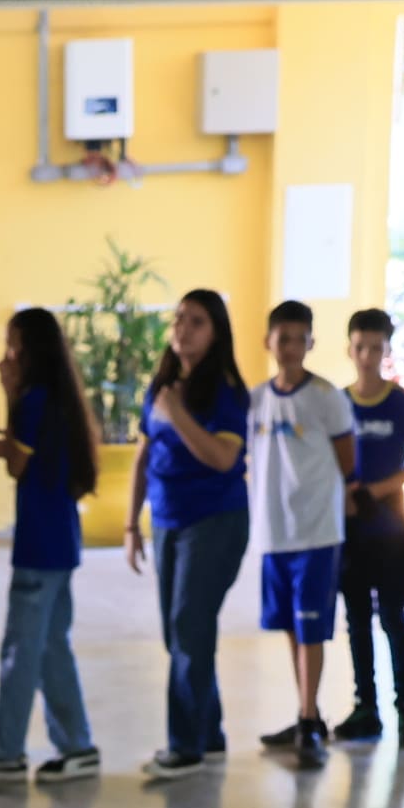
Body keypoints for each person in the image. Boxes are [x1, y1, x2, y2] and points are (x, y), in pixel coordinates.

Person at [130, 289, 254, 782]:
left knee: (188, 626)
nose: (183, 329)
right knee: (180, 632)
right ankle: (210, 733)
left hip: (215, 522)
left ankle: (185, 747)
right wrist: (129, 523)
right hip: (166, 522)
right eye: (179, 319)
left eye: (196, 321)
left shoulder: (225, 391)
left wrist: (179, 413)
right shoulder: (162, 384)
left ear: (216, 332)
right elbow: (144, 454)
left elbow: (223, 458)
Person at [0, 305, 102, 786]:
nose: (8, 355)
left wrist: (8, 394)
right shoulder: (60, 397)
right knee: (51, 645)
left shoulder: (33, 399)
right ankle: (77, 745)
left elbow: (19, 465)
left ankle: (7, 753)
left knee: (21, 649)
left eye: (13, 345)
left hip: (39, 545)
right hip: (59, 540)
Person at [242, 299, 357, 771]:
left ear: (311, 342)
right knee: (292, 626)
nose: (289, 347)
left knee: (312, 627)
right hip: (275, 532)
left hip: (316, 532)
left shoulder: (327, 397)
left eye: (298, 338)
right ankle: (304, 711)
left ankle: (310, 719)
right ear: (267, 342)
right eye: (281, 337)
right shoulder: (255, 400)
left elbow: (348, 461)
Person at [334, 307, 404, 746]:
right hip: (350, 531)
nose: (367, 356)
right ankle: (365, 707)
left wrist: (381, 488)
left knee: (394, 618)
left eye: (376, 348)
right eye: (360, 347)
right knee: (356, 622)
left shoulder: (401, 402)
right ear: (349, 349)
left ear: (387, 351)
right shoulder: (338, 403)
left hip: (391, 530)